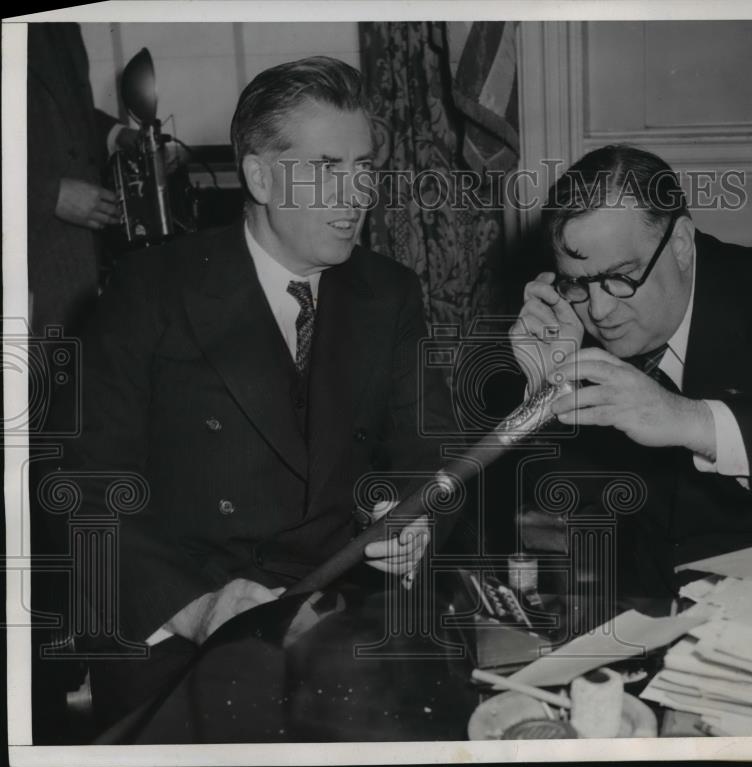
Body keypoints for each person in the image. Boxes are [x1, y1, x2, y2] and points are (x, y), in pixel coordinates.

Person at [56, 56, 453, 729]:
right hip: (185, 619)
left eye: (366, 170)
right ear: (261, 175)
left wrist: (411, 514)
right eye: (330, 168)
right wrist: (199, 608)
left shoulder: (388, 293)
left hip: (343, 613)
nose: (359, 196)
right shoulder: (149, 290)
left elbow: (432, 451)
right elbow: (88, 488)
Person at [508, 144, 752, 604]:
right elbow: (558, 517)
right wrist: (552, 390)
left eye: (622, 275)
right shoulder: (574, 329)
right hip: (654, 622)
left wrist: (686, 420)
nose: (601, 310)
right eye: (578, 283)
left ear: (682, 244)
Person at [27, 22, 140, 334]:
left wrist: (118, 135)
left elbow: (58, 111)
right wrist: (50, 195)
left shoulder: (63, 26)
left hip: (73, 264)